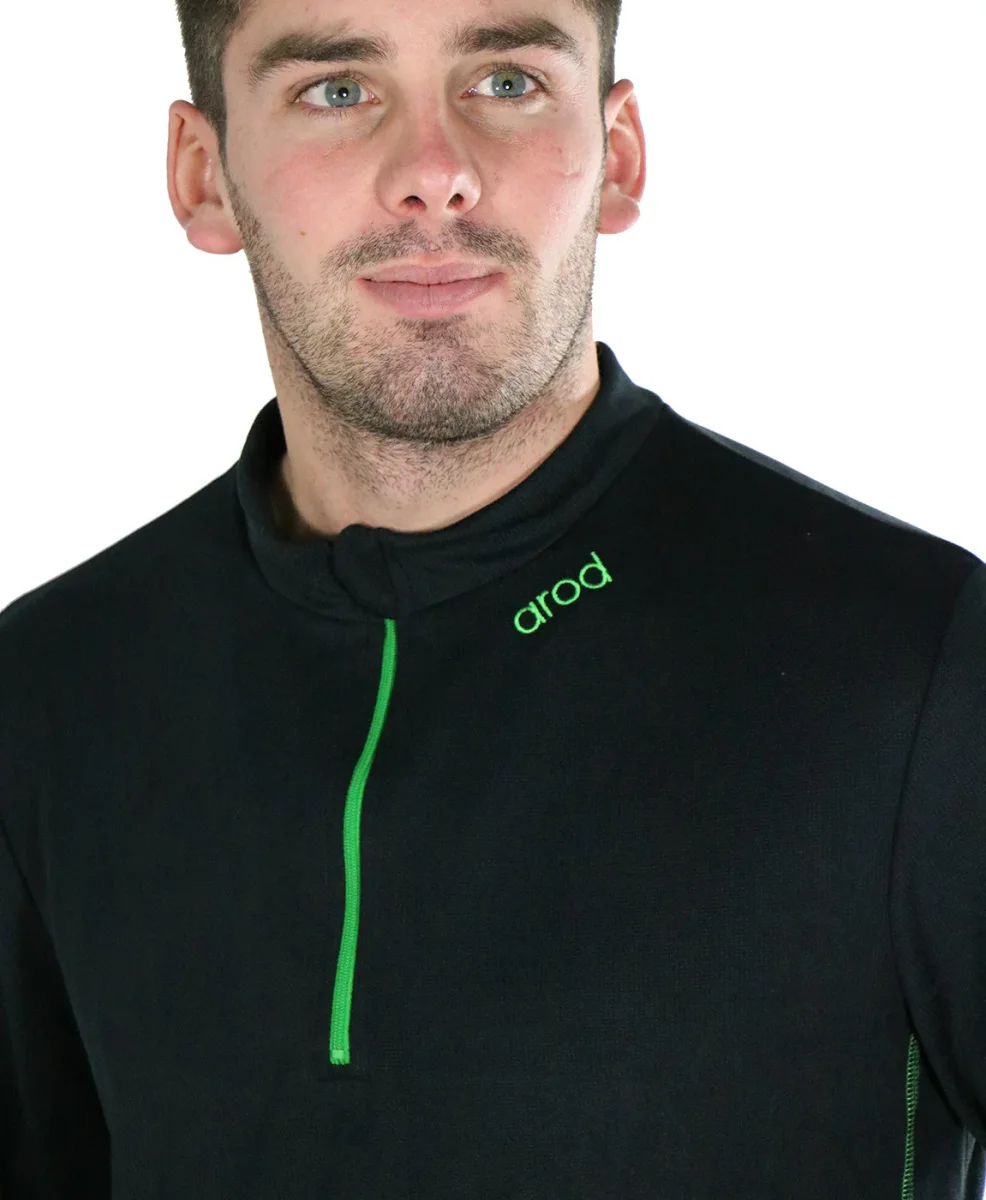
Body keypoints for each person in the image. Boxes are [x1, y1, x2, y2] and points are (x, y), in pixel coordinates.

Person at [0, 0, 983, 1195]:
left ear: (616, 155)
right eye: (336, 90)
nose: (434, 172)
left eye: (506, 81)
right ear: (204, 176)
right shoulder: (48, 690)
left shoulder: (915, 660)